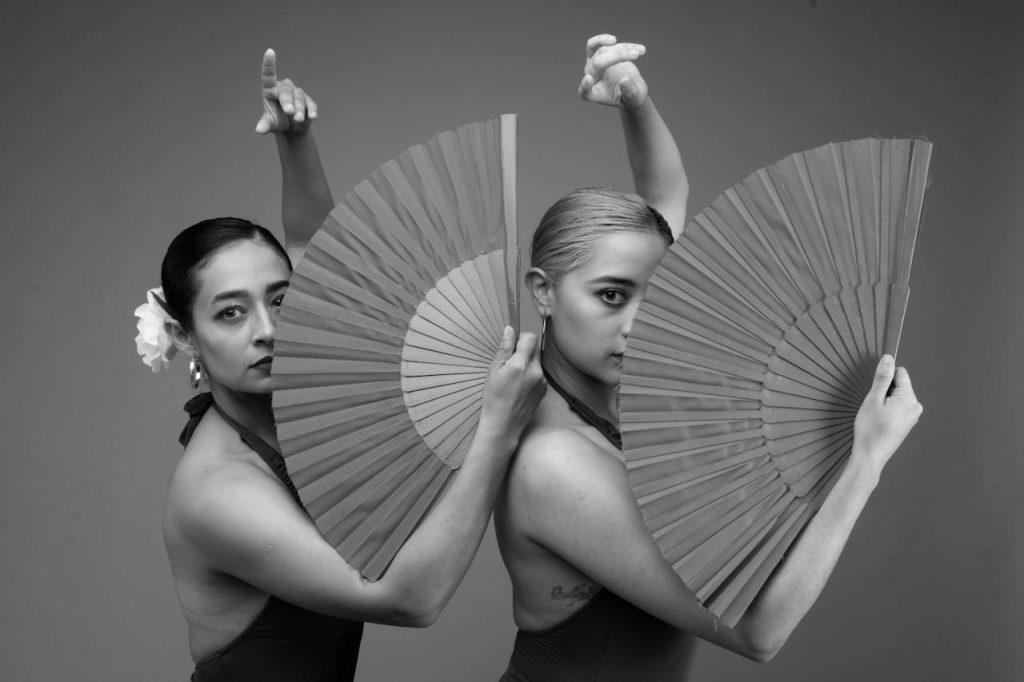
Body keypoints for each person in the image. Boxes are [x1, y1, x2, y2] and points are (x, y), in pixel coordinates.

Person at [494, 34, 924, 681]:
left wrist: (635, 101)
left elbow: (664, 199)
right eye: (611, 296)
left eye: (656, 292)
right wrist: (866, 459)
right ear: (543, 292)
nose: (640, 323)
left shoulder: (601, 395)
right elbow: (758, 632)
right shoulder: (554, 462)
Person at [143, 50, 546, 681]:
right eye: (229, 314)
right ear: (184, 337)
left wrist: (296, 141)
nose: (270, 330)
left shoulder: (302, 404)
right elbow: (408, 600)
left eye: (279, 300)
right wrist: (497, 428)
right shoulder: (216, 491)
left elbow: (316, 250)